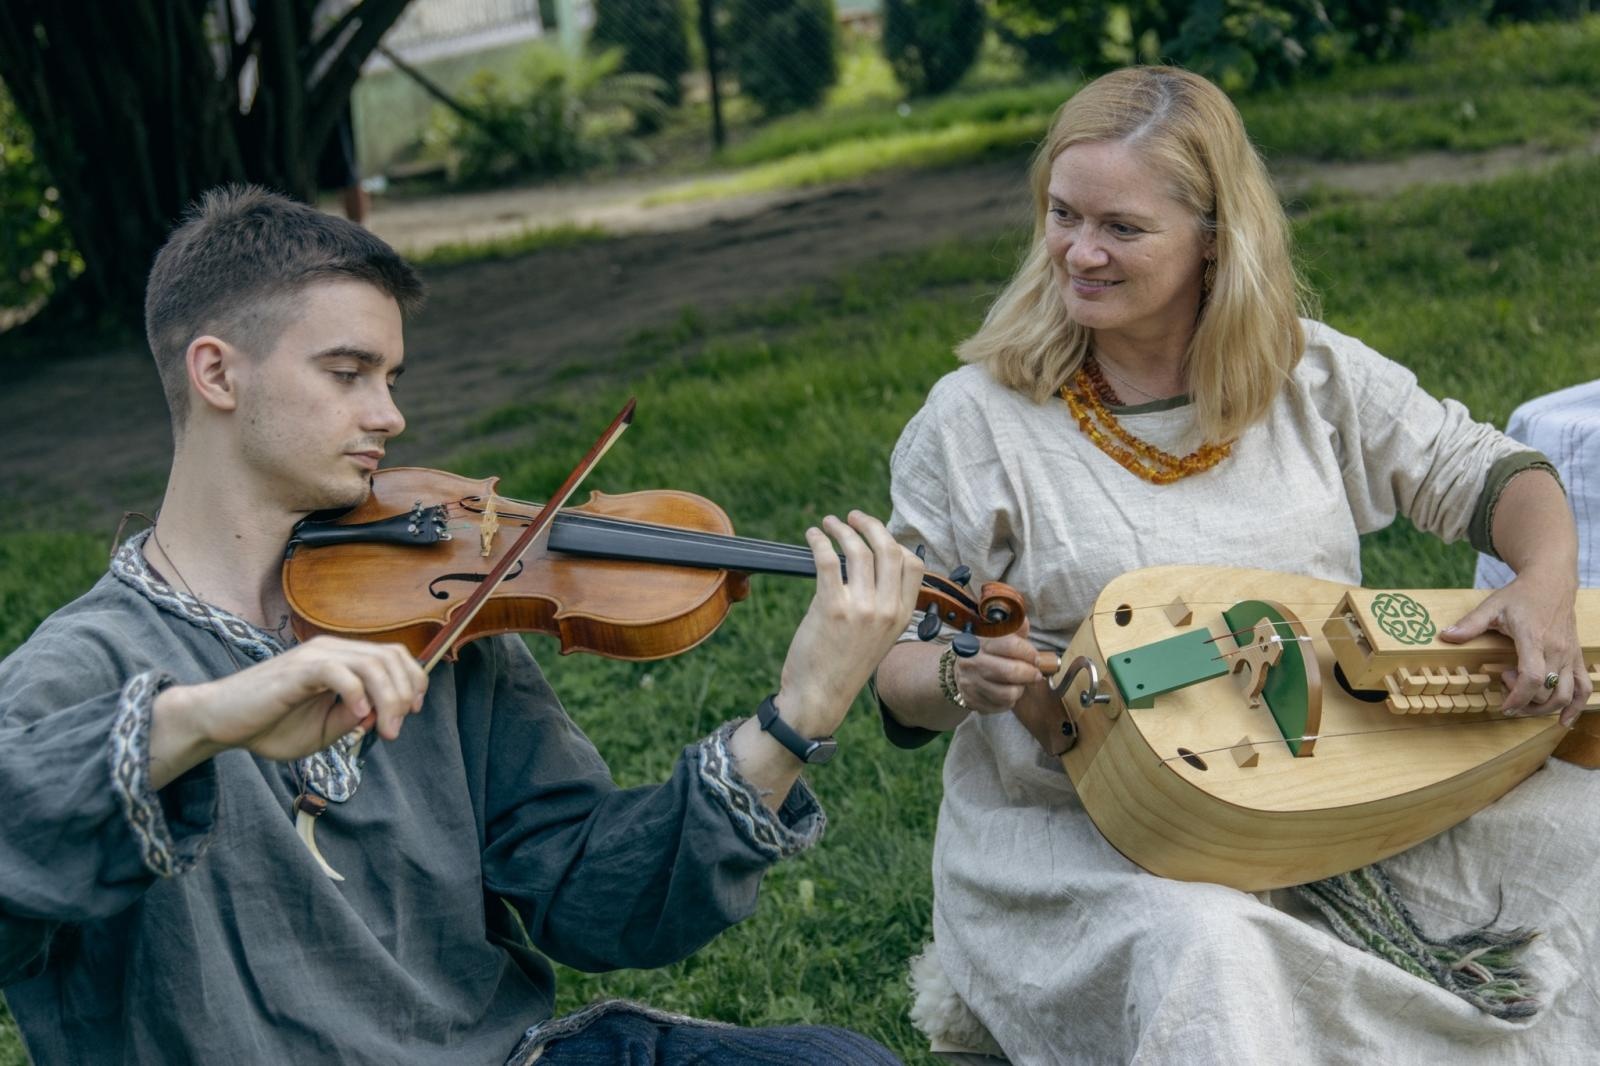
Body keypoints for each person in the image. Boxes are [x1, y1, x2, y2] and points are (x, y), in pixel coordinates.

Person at [0, 185, 921, 1065]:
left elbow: (591, 897)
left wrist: (795, 719)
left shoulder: (426, 604)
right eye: (348, 373)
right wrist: (199, 720)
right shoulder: (84, 665)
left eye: (391, 376)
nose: (389, 415)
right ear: (216, 373)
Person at [874, 66, 1595, 1064]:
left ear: (1214, 237)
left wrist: (1545, 588)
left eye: (1121, 228)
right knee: (1211, 951)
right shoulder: (974, 422)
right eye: (1061, 214)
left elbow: (1496, 475)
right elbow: (894, 665)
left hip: (1343, 788)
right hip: (1096, 842)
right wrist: (958, 675)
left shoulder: (1310, 377)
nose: (1079, 252)